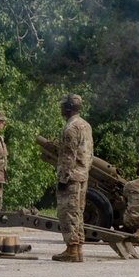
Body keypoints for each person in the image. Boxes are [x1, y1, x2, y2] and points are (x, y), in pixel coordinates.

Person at [53, 92, 93, 263]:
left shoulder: (71, 128)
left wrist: (63, 178)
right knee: (78, 212)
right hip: (83, 175)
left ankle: (71, 248)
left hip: (71, 177)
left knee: (67, 212)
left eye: (63, 105)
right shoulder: (86, 125)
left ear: (68, 108)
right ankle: (77, 249)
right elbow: (89, 153)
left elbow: (69, 156)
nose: (61, 108)